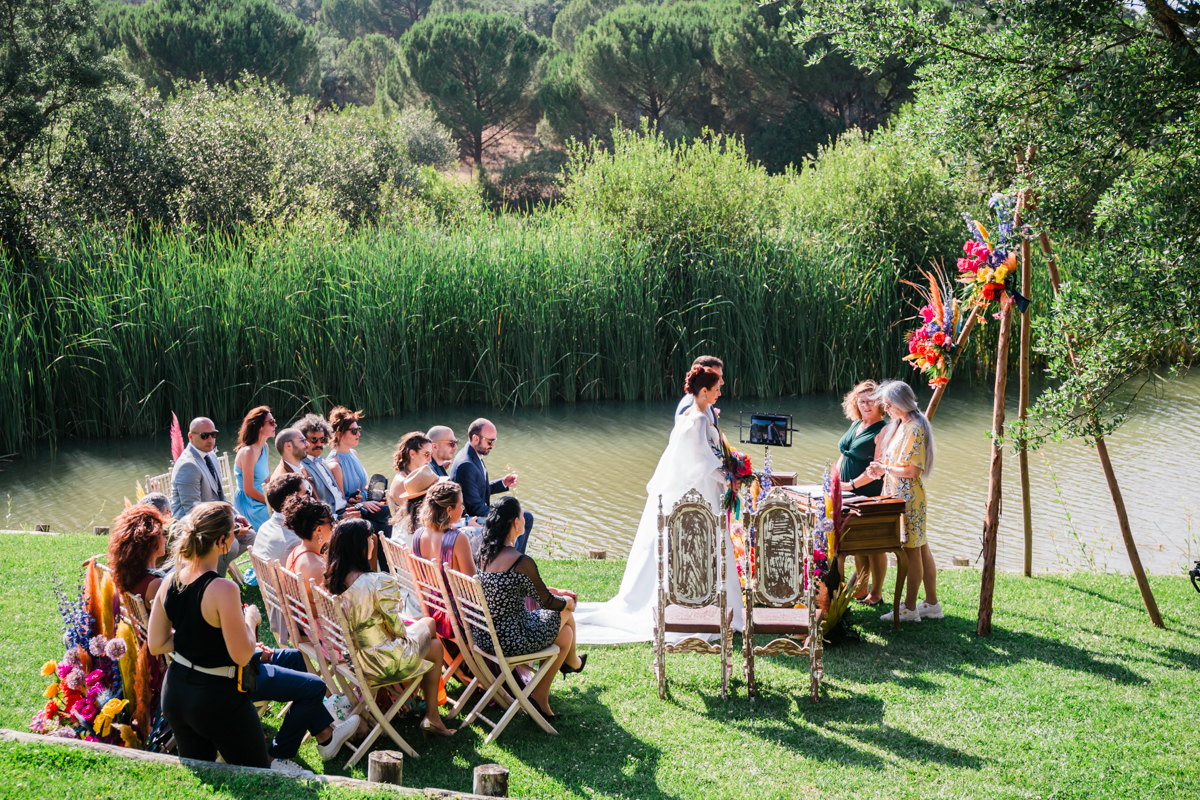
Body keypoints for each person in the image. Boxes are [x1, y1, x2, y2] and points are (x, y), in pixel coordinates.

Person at [575, 365, 743, 644]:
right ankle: (705, 606)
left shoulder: (693, 415)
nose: (720, 392)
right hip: (700, 491)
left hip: (698, 489)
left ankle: (705, 604)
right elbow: (701, 461)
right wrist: (730, 474)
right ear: (704, 392)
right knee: (707, 545)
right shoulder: (698, 419)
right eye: (717, 389)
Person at [147, 502, 269, 767]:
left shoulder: (170, 580)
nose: (238, 534)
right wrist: (251, 619)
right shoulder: (224, 589)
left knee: (204, 778)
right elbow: (242, 654)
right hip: (216, 700)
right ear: (222, 541)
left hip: (176, 692)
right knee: (258, 775)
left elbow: (156, 644)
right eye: (236, 530)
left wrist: (191, 635)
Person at [325, 518, 455, 737]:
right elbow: (397, 631)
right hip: (383, 664)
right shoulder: (378, 582)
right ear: (362, 545)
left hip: (356, 659)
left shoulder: (333, 581)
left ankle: (412, 706)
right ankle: (430, 715)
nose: (373, 545)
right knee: (433, 636)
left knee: (429, 637)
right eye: (371, 541)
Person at [475, 497, 584, 720]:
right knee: (565, 612)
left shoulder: (483, 554)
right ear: (515, 523)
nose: (525, 520)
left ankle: (540, 698)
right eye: (523, 516)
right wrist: (567, 602)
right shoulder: (519, 561)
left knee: (565, 634)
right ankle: (572, 663)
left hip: (485, 636)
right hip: (512, 638)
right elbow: (547, 602)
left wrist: (557, 593)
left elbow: (524, 590)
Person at [866, 380, 941, 623]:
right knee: (921, 548)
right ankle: (931, 603)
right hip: (899, 495)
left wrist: (884, 468)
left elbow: (912, 471)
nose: (886, 409)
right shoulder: (901, 424)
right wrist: (881, 469)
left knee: (911, 552)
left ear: (901, 402)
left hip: (908, 498)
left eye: (889, 405)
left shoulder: (915, 428)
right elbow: (896, 465)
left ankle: (909, 608)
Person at [169, 417, 254, 576]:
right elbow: (193, 511)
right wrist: (231, 529)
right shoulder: (188, 465)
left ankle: (208, 570)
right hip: (191, 528)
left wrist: (236, 516)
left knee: (250, 536)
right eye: (204, 435)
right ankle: (212, 581)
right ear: (190, 436)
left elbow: (220, 496)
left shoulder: (211, 456)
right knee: (231, 545)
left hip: (212, 520)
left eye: (213, 434)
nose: (210, 439)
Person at [835, 380, 888, 605]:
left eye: (871, 401)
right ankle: (860, 588)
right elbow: (844, 454)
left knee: (874, 545)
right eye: (861, 401)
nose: (866, 405)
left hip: (868, 493)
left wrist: (852, 485)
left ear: (881, 404)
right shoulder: (857, 424)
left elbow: (878, 466)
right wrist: (834, 480)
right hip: (846, 492)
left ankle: (876, 593)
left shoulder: (883, 429)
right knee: (856, 542)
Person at [449, 419, 531, 552]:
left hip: (478, 513)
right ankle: (512, 560)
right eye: (490, 441)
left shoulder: (472, 455)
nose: (493, 446)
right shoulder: (466, 464)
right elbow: (475, 506)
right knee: (519, 518)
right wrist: (503, 516)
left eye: (494, 441)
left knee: (525, 516)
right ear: (475, 438)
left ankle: (516, 559)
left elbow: (478, 489)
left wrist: (502, 483)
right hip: (473, 520)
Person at [253, 473, 310, 640]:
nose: (311, 499)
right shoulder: (295, 540)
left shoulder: (265, 527)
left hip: (277, 611)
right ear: (292, 501)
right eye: (306, 494)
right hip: (299, 621)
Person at [327, 407, 388, 533]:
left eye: (358, 429)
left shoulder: (353, 453)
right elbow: (341, 504)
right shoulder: (334, 465)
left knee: (391, 505)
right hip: (356, 509)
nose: (359, 434)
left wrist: (377, 493)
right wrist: (362, 504)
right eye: (354, 431)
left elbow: (361, 486)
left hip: (366, 501)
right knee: (388, 514)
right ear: (339, 435)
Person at [282, 494, 335, 613]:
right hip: (326, 627)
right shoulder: (316, 566)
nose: (334, 525)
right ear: (319, 530)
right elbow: (334, 606)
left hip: (308, 621)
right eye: (331, 521)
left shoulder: (295, 552)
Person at [295, 414, 353, 518]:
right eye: (314, 440)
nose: (319, 443)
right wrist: (339, 517)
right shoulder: (302, 468)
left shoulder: (322, 462)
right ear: (303, 441)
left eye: (322, 439)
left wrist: (350, 501)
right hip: (335, 516)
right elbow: (312, 507)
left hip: (346, 507)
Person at [107, 504, 167, 605]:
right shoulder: (155, 584)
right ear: (150, 541)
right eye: (162, 534)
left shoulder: (129, 575)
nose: (165, 539)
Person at [233, 406, 276, 532]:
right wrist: (271, 504)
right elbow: (248, 489)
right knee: (282, 521)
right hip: (249, 502)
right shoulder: (248, 452)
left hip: (262, 497)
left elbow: (268, 480)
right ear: (259, 426)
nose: (275, 425)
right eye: (272, 422)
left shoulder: (265, 447)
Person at [386, 432, 432, 516]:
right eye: (427, 454)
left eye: (431, 454)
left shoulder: (411, 475)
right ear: (412, 454)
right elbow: (412, 517)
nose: (430, 460)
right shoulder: (403, 482)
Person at [675, 355, 724, 426]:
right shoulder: (690, 406)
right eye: (717, 377)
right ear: (703, 376)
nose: (722, 382)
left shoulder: (704, 399)